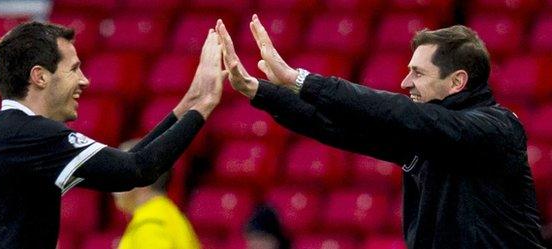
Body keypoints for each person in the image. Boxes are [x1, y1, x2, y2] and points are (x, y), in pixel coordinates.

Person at [216, 15, 545, 248]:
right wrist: (256, 90)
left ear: (457, 81)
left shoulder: (495, 129)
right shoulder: (424, 132)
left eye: (417, 73)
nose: (405, 83)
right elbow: (334, 126)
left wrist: (300, 79)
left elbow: (400, 113)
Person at [0, 21, 226, 249]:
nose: (85, 80)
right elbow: (137, 169)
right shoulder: (28, 134)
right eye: (74, 69)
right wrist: (203, 106)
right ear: (40, 77)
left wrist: (188, 103)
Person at [113, 139, 201, 249]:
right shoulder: (169, 216)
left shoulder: (150, 226)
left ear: (143, 181)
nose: (112, 183)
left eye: (120, 174)